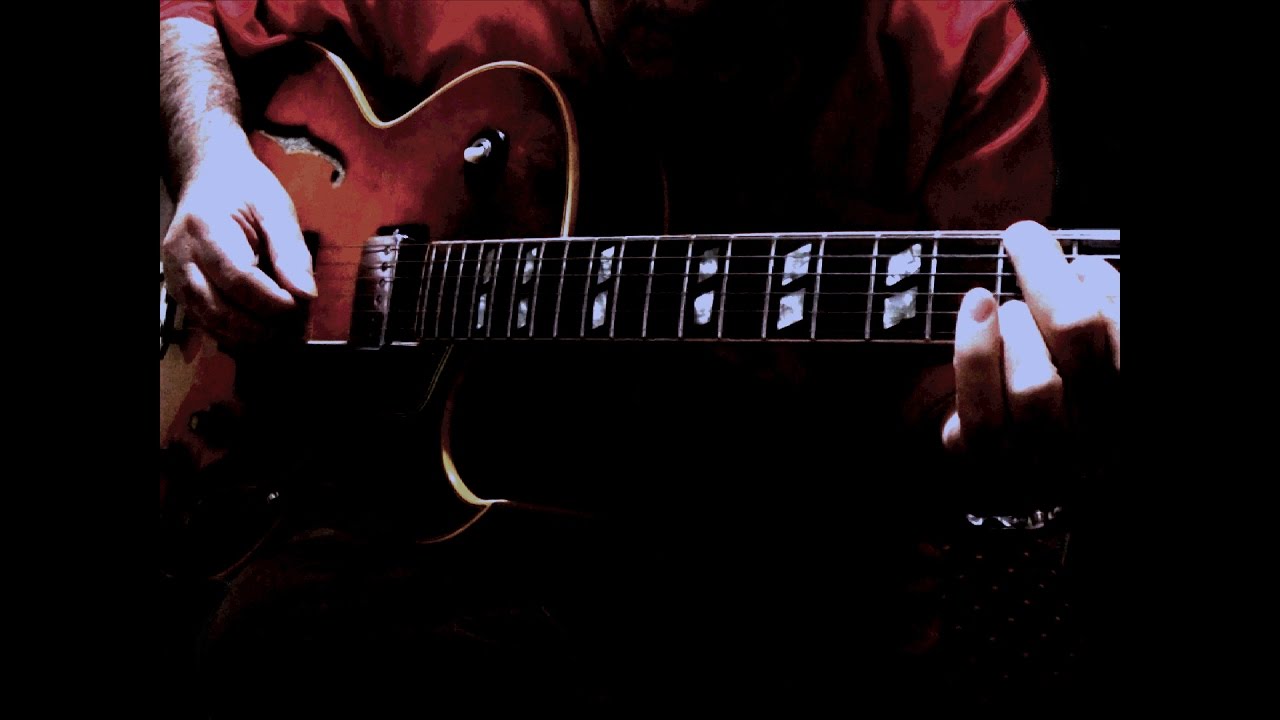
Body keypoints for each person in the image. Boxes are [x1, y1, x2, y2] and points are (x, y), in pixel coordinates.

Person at [159, 0, 1120, 715]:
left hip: (774, 592)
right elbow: (187, 15)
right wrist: (212, 159)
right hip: (395, 537)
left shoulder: (964, 54)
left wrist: (1011, 451)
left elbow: (955, 442)